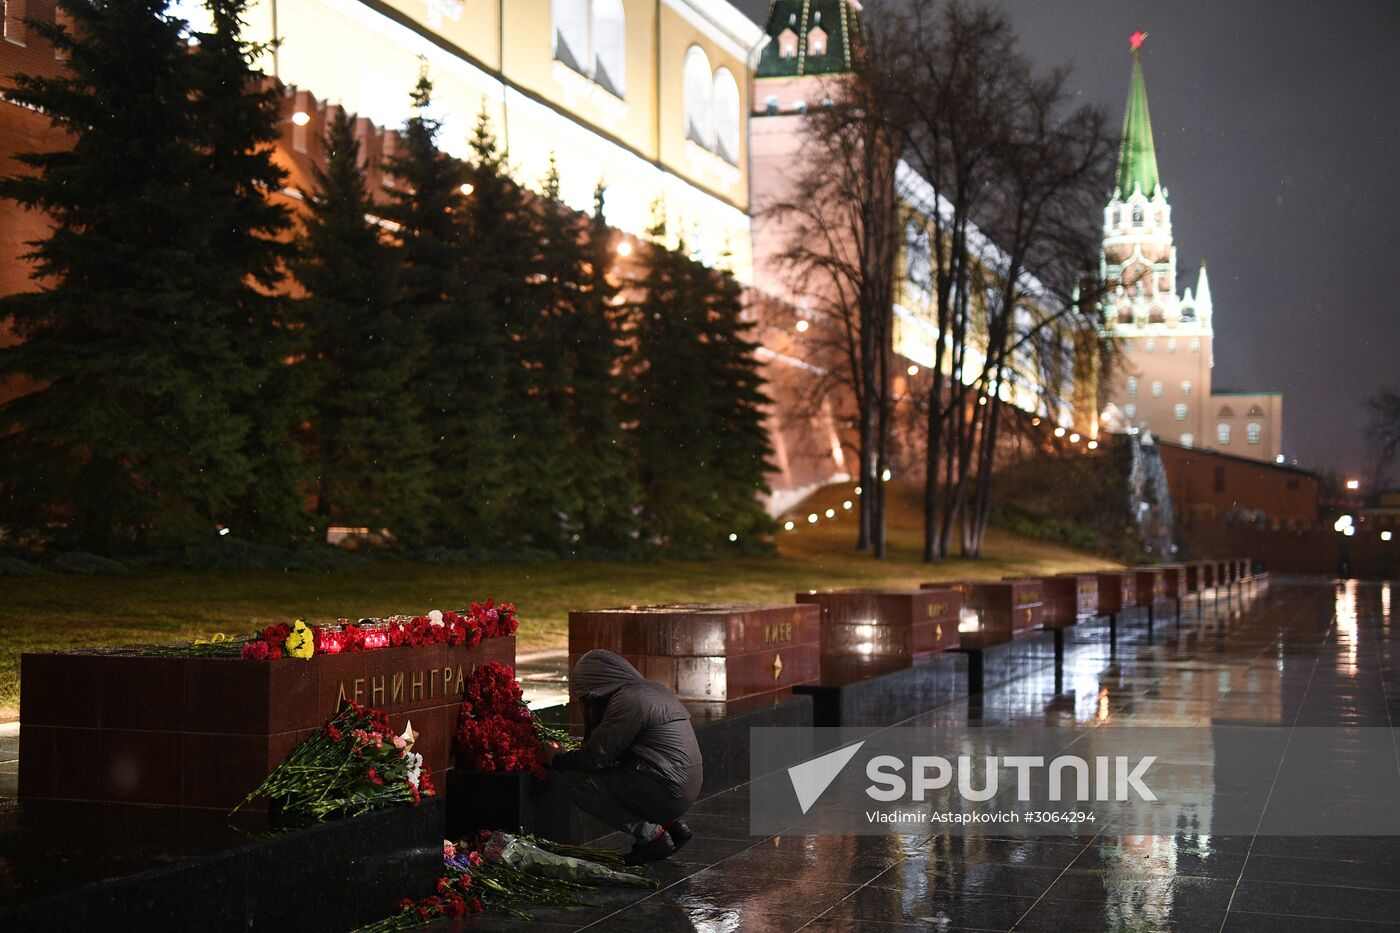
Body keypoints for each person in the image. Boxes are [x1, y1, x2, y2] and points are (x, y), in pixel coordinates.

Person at [544, 649, 702, 864]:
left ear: (596, 689)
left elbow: (595, 759)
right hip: (683, 787)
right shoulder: (652, 689)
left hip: (666, 787)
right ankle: (674, 827)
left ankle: (651, 836)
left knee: (569, 780)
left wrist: (556, 758)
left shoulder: (627, 701)